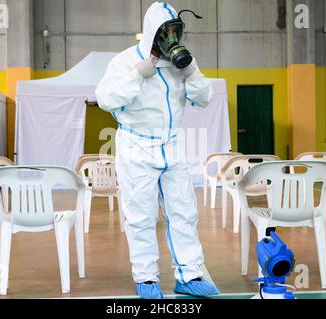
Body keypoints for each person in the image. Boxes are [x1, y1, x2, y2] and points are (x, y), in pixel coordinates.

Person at [95, 1, 220, 299]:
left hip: (172, 144)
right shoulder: (125, 62)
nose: (172, 39)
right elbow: (105, 98)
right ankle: (147, 279)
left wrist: (191, 72)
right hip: (137, 146)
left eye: (177, 31)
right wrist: (139, 73)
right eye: (166, 32)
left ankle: (190, 275)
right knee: (140, 216)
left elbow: (204, 98)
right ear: (153, 33)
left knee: (184, 212)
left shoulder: (181, 64)